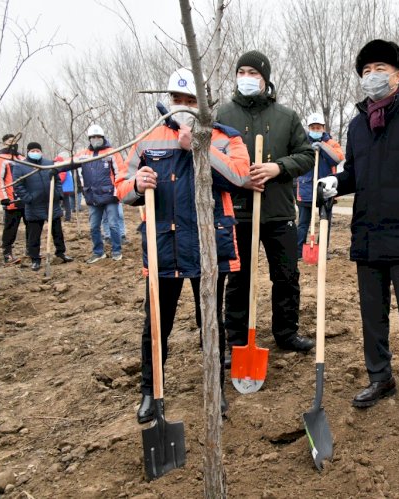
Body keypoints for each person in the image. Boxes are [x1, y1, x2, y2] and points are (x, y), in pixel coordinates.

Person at [318, 39, 399, 427]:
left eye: (378, 68)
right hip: (369, 234)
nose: (371, 76)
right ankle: (380, 378)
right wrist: (334, 183)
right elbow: (357, 175)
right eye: (365, 71)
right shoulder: (358, 125)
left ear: (398, 74)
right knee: (372, 316)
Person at [115, 67, 251, 423]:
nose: (182, 107)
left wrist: (201, 149)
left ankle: (215, 388)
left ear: (203, 103)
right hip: (165, 245)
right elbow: (122, 184)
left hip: (209, 245)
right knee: (157, 323)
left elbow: (239, 177)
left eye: (190, 100)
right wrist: (136, 185)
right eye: (177, 100)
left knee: (210, 321)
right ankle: (151, 392)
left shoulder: (224, 137)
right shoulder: (147, 138)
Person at [216, 50, 316, 358]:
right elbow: (211, 160)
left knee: (285, 276)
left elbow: (307, 155)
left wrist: (278, 168)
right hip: (239, 213)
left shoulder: (285, 117)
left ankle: (286, 332)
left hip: (279, 212)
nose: (247, 77)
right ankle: (236, 339)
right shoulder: (222, 116)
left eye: (253, 72)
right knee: (239, 278)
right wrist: (239, 179)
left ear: (265, 78)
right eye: (242, 71)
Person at [12, 142, 74, 271]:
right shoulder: (21, 166)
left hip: (52, 202)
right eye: (32, 150)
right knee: (34, 234)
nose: (35, 152)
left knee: (57, 232)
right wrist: (29, 198)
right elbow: (18, 185)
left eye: (37, 150)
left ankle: (60, 253)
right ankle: (35, 258)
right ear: (28, 151)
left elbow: (57, 180)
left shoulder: (48, 163)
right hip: (34, 205)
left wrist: (58, 194)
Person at [74, 124, 125, 263]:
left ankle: (116, 250)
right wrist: (57, 169)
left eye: (98, 137)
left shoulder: (112, 152)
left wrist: (117, 192)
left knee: (113, 224)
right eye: (93, 137)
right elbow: (70, 163)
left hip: (110, 195)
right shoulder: (83, 154)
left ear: (103, 137)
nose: (96, 139)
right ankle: (98, 252)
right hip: (92, 196)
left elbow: (120, 172)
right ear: (89, 139)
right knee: (94, 226)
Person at [296, 112, 344, 259]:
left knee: (325, 222)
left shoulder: (331, 143)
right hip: (305, 188)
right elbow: (296, 159)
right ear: (309, 128)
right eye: (313, 127)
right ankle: (299, 251)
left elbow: (337, 158)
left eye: (318, 128)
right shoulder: (302, 143)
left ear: (323, 128)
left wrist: (322, 147)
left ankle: (322, 250)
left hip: (326, 189)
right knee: (303, 223)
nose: (315, 130)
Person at [0, 133, 26, 264]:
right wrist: (3, 197)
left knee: (32, 226)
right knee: (10, 228)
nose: (12, 143)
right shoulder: (1, 158)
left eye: (14, 141)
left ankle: (30, 250)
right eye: (9, 141)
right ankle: (7, 254)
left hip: (26, 199)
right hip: (12, 200)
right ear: (4, 143)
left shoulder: (22, 158)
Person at [56, 152, 75, 222]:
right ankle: (67, 216)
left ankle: (66, 217)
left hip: (62, 189)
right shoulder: (66, 168)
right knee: (66, 203)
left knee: (62, 203)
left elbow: (61, 179)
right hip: (66, 189)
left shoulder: (62, 168)